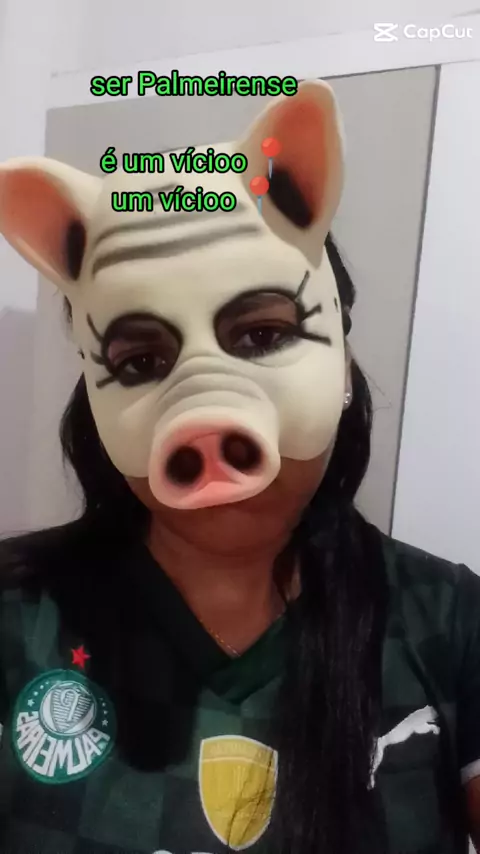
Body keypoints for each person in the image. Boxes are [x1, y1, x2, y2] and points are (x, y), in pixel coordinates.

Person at [0, 79, 479, 854]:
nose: (202, 409)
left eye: (262, 336)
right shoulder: (17, 617)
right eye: (141, 361)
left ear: (342, 364)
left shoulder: (447, 621)